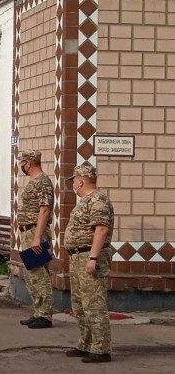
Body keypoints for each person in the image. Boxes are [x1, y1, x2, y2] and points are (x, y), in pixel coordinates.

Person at [64, 164, 114, 363]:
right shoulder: (86, 200)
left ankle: (101, 349)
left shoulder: (98, 200)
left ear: (81, 180)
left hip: (90, 257)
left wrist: (92, 258)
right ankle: (86, 343)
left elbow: (101, 230)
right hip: (77, 257)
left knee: (94, 304)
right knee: (80, 303)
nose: (73, 184)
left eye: (74, 181)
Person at [17, 150, 54, 329]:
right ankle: (38, 312)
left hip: (34, 233)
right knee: (31, 274)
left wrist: (37, 238)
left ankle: (45, 315)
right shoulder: (35, 182)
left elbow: (45, 209)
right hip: (28, 232)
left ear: (29, 163)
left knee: (38, 274)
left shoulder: (43, 182)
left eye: (22, 163)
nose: (21, 166)